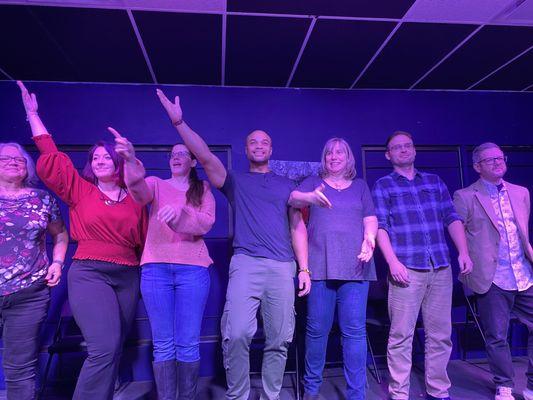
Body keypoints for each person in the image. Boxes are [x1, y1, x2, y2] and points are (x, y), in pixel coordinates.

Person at [155, 89, 310, 400]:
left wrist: (304, 268)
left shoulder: (286, 185)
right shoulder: (235, 181)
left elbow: (298, 227)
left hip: (283, 268)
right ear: (246, 148)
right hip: (247, 263)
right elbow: (204, 156)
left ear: (271, 149)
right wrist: (180, 123)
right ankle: (238, 395)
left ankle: (271, 395)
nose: (259, 145)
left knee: (280, 338)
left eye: (264, 142)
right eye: (253, 141)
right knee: (237, 333)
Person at [17, 81, 148, 400]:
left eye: (108, 157)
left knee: (115, 348)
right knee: (103, 348)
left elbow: (145, 232)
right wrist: (33, 116)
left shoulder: (135, 197)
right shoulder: (81, 191)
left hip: (129, 274)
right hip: (90, 272)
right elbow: (51, 157)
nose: (102, 160)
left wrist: (130, 158)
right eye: (97, 157)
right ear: (92, 164)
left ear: (118, 163)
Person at [110, 128, 215, 400]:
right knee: (164, 344)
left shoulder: (202, 189)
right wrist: (131, 160)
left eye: (183, 154)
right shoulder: (156, 183)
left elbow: (206, 222)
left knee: (188, 343)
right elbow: (138, 191)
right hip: (155, 269)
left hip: (193, 269)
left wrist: (179, 217)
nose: (177, 157)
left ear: (193, 162)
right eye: (173, 154)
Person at [371, 131, 473, 400]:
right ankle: (399, 393)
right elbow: (380, 227)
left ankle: (438, 391)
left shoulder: (434, 181)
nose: (404, 150)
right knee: (401, 335)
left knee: (440, 335)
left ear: (414, 150)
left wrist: (463, 251)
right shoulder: (384, 185)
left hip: (440, 266)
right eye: (397, 147)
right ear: (388, 154)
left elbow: (451, 217)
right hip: (406, 268)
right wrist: (392, 262)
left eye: (408, 146)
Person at [289, 137, 378, 400]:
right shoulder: (313, 183)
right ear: (324, 158)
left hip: (356, 266)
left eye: (340, 152)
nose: (334, 157)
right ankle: (312, 391)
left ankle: (357, 394)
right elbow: (293, 199)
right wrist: (310, 197)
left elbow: (370, 219)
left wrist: (369, 239)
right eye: (329, 153)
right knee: (317, 331)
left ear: (348, 157)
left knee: (354, 332)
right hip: (319, 266)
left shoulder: (360, 186)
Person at [453, 142, 533, 400]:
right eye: (490, 160)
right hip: (491, 276)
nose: (498, 163)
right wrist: (464, 255)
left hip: (523, 273)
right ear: (477, 166)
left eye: (500, 158)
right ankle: (505, 385)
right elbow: (459, 229)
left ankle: (531, 383)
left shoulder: (521, 192)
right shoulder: (465, 196)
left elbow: (522, 231)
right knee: (497, 335)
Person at [0, 142, 68, 400]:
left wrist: (57, 262)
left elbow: (60, 234)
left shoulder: (42, 199)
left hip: (29, 293)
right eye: (5, 159)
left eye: (19, 160)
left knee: (20, 367)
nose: (13, 163)